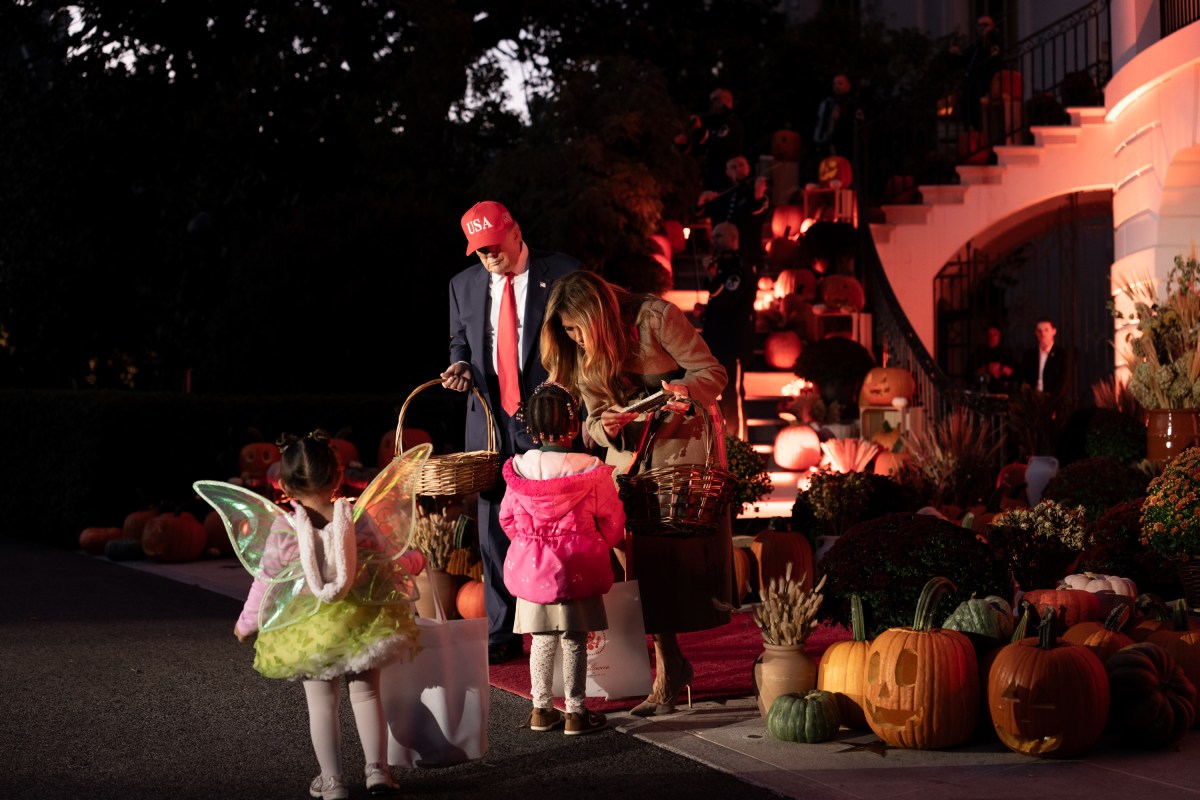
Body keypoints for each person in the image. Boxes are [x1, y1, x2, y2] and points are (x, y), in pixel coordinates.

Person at [540, 270, 732, 717]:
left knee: (663, 561)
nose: (575, 340)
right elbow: (591, 419)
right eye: (566, 331)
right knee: (633, 562)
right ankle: (669, 664)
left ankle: (668, 672)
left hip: (679, 452)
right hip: (627, 460)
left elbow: (713, 371)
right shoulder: (578, 349)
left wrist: (686, 389)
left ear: (601, 317)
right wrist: (600, 427)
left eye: (577, 328)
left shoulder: (657, 318)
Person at [232, 431, 427, 800]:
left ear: (284, 485)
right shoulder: (356, 518)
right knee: (367, 696)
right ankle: (377, 772)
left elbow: (266, 582)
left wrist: (246, 624)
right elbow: (387, 560)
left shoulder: (284, 530)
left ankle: (333, 780)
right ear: (338, 477)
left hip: (307, 633)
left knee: (322, 704)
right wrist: (415, 561)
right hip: (362, 623)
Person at [442, 200, 581, 664]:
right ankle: (501, 633)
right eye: (480, 252)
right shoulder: (463, 286)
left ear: (515, 232)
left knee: (555, 520)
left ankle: (560, 627)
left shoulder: (560, 272)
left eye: (495, 247)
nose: (489, 258)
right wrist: (458, 363)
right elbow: (460, 339)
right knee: (493, 526)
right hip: (489, 416)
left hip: (547, 413)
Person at [499, 381, 626, 735]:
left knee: (540, 640)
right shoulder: (590, 469)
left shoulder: (520, 469)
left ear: (533, 428)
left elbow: (507, 519)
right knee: (574, 639)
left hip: (532, 570)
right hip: (578, 567)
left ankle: (540, 709)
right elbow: (611, 519)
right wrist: (608, 541)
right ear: (574, 426)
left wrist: (530, 544)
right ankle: (575, 712)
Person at [700, 222, 757, 437]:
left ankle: (738, 442)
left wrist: (714, 280)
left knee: (732, 395)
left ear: (734, 239)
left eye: (719, 236)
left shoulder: (741, 268)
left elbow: (729, 299)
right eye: (713, 236)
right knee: (718, 395)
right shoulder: (722, 266)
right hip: (716, 341)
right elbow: (718, 303)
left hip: (734, 343)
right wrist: (705, 312)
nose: (714, 240)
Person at [693, 154, 770, 273]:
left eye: (741, 165)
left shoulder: (755, 192)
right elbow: (698, 214)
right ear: (727, 172)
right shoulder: (721, 192)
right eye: (733, 167)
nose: (738, 169)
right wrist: (702, 200)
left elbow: (758, 214)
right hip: (722, 254)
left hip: (748, 252)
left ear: (748, 168)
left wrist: (758, 194)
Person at [675, 87, 746, 191]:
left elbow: (719, 146)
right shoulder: (715, 122)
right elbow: (702, 149)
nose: (713, 104)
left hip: (725, 179)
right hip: (710, 179)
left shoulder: (732, 123)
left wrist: (701, 132)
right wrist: (685, 143)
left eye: (716, 100)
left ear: (727, 100)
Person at [948, 15, 1002, 133]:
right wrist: (955, 54)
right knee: (969, 115)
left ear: (992, 27)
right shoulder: (975, 47)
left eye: (985, 25)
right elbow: (964, 61)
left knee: (981, 118)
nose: (982, 28)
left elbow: (994, 60)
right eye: (979, 25)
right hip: (971, 86)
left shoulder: (994, 43)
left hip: (984, 85)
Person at [812, 73, 863, 161]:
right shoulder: (829, 102)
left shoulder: (853, 102)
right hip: (830, 140)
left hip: (846, 141)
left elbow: (858, 120)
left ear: (848, 86)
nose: (836, 86)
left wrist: (842, 116)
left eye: (840, 83)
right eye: (834, 84)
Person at [1019, 318, 1071, 395]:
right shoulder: (1029, 355)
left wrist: (1050, 402)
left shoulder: (1062, 354)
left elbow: (1063, 382)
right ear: (1036, 333)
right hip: (1032, 402)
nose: (1043, 334)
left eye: (1046, 330)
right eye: (1040, 331)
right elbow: (1022, 378)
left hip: (1054, 402)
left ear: (1053, 331)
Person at [973, 324, 1015, 394]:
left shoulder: (1007, 354)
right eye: (989, 335)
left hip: (1003, 394)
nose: (991, 337)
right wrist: (987, 368)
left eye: (995, 335)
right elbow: (970, 375)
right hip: (982, 394)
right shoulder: (977, 354)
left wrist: (1000, 368)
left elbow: (1015, 373)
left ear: (1000, 336)